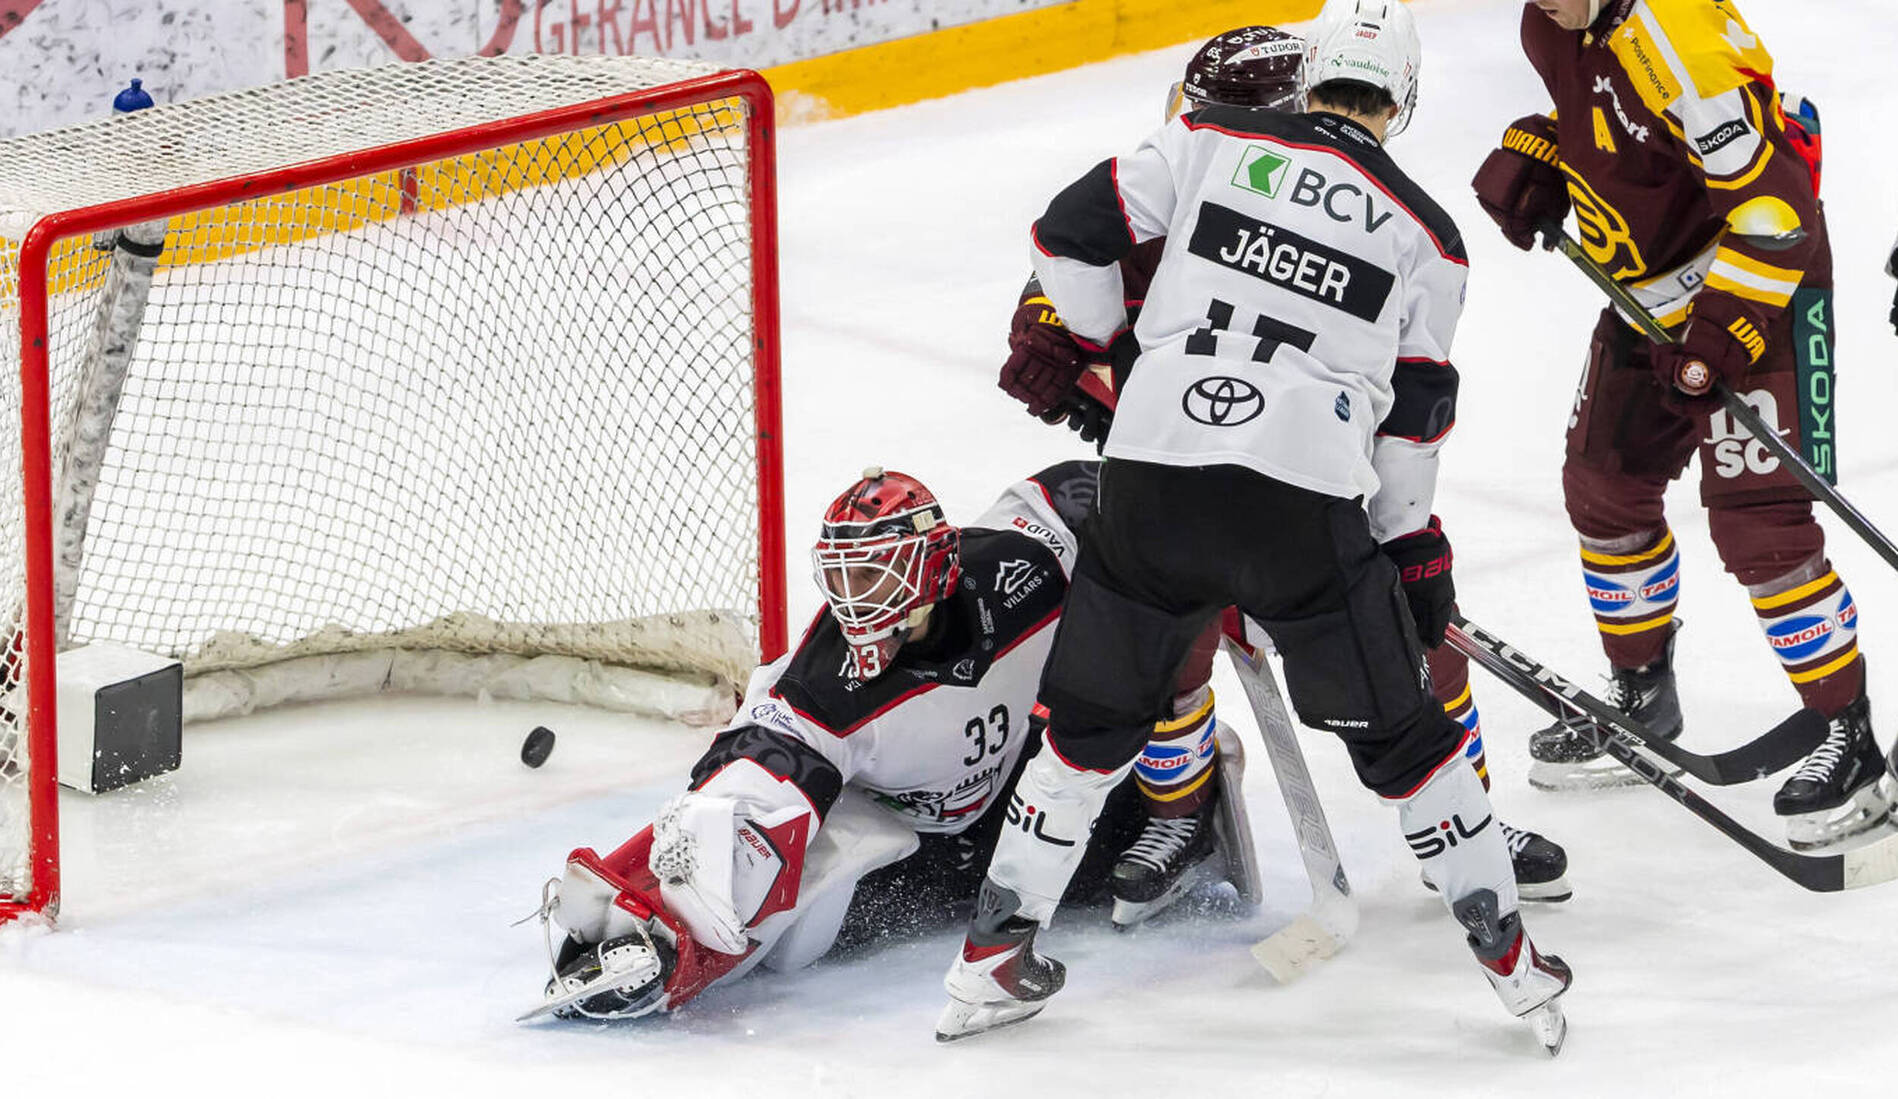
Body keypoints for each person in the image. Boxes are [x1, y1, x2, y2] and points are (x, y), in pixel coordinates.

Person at [941, 0, 1570, 1052]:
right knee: (1407, 741)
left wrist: (1121, 355)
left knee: (1084, 734)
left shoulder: (1204, 139)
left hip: (1151, 486)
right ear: (1402, 101)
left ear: (1304, 75)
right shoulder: (1432, 237)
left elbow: (1065, 230)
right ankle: (1514, 967)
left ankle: (986, 968)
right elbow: (1413, 416)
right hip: (1299, 502)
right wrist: (1405, 546)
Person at [525, 463, 1259, 1021]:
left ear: (934, 568)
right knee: (797, 926)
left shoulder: (1022, 565)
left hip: (1033, 779)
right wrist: (674, 935)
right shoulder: (825, 683)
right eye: (844, 579)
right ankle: (646, 924)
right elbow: (749, 783)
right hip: (927, 848)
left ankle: (1179, 812)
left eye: (875, 577)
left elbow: (1100, 489)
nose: (856, 604)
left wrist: (1235, 542)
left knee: (1160, 597)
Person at [1471, 0, 1893, 848]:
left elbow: (1780, 214)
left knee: (1759, 526)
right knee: (1603, 488)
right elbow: (1614, 130)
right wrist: (1547, 155)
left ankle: (1851, 739)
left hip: (1759, 288)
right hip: (1647, 296)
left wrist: (1721, 338)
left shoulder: (1680, 46)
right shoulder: (1551, 22)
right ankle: (1644, 698)